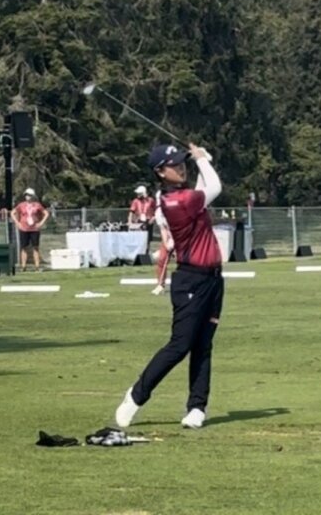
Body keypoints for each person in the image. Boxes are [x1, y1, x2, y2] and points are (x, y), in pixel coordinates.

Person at [115, 143, 223, 430]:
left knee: (203, 345)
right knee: (180, 345)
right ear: (160, 172)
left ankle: (197, 408)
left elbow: (203, 191)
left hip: (213, 279)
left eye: (182, 162)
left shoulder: (186, 197)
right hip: (190, 279)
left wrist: (200, 160)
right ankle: (136, 396)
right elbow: (214, 187)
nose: (181, 167)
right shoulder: (175, 201)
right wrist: (201, 160)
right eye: (174, 165)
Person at [11, 188, 50, 272]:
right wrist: (17, 223)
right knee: (23, 247)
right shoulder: (21, 205)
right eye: (26, 195)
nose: (27, 196)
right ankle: (23, 267)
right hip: (24, 229)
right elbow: (12, 213)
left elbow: (46, 213)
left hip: (34, 229)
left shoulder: (37, 205)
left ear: (33, 196)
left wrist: (41, 223)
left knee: (35, 247)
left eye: (29, 195)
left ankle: (37, 267)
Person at [151, 187, 174, 296]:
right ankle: (160, 285)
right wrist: (166, 243)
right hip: (169, 236)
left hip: (182, 236)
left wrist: (174, 240)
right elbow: (163, 229)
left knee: (185, 261)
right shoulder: (158, 212)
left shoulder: (175, 209)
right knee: (161, 259)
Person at [128, 186, 156, 250]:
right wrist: (129, 222)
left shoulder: (151, 200)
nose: (137, 195)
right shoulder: (135, 201)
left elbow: (156, 210)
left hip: (148, 222)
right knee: (138, 238)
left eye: (139, 193)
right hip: (138, 222)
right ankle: (138, 252)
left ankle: (146, 252)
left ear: (143, 193)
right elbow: (131, 212)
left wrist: (153, 218)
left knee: (147, 239)